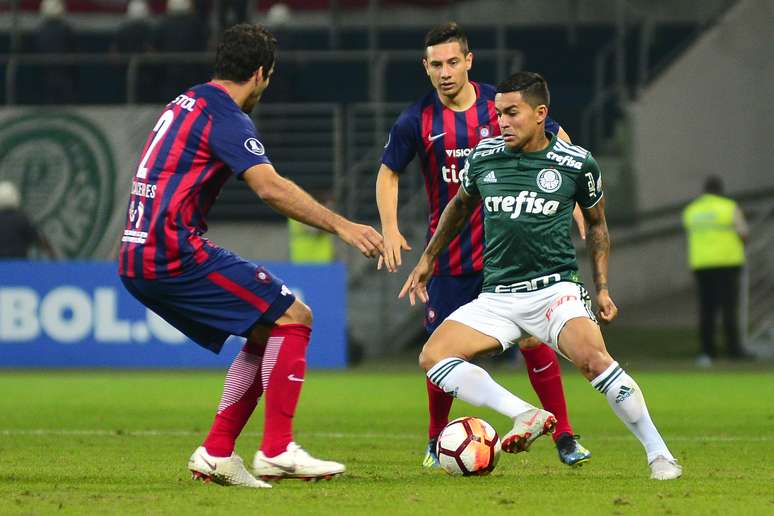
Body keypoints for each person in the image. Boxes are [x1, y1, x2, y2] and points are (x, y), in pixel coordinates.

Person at [118, 24, 384, 488]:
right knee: (294, 317)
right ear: (261, 73)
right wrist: (344, 224)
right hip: (171, 250)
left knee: (266, 331)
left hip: (137, 251)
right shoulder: (227, 118)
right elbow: (269, 187)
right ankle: (278, 448)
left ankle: (218, 453)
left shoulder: (187, 100)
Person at [400, 71, 682, 480]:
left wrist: (601, 288)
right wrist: (428, 258)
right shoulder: (484, 157)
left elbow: (598, 225)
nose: (503, 122)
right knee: (433, 356)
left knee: (594, 361)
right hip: (497, 296)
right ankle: (526, 413)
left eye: (512, 113)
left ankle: (659, 454)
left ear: (540, 114)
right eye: (498, 114)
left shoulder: (576, 162)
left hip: (554, 292)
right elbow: (458, 208)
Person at [376, 22, 590, 468]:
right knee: (440, 351)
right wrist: (391, 227)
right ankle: (437, 440)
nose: (445, 72)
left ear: (469, 61)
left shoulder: (502, 106)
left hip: (512, 259)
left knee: (535, 342)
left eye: (453, 61)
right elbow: (388, 171)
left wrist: (570, 198)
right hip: (453, 259)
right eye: (436, 64)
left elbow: (556, 139)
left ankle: (564, 434)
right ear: (426, 68)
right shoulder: (417, 119)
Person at [682, 176, 750, 366]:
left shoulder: (692, 210)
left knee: (706, 309)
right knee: (729, 307)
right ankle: (733, 349)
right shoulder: (729, 207)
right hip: (727, 263)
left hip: (702, 265)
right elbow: (743, 233)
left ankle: (707, 350)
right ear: (720, 190)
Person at [0, 181, 56, 259]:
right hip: (19, 266)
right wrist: (52, 255)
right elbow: (40, 240)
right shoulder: (22, 219)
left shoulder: (22, 219)